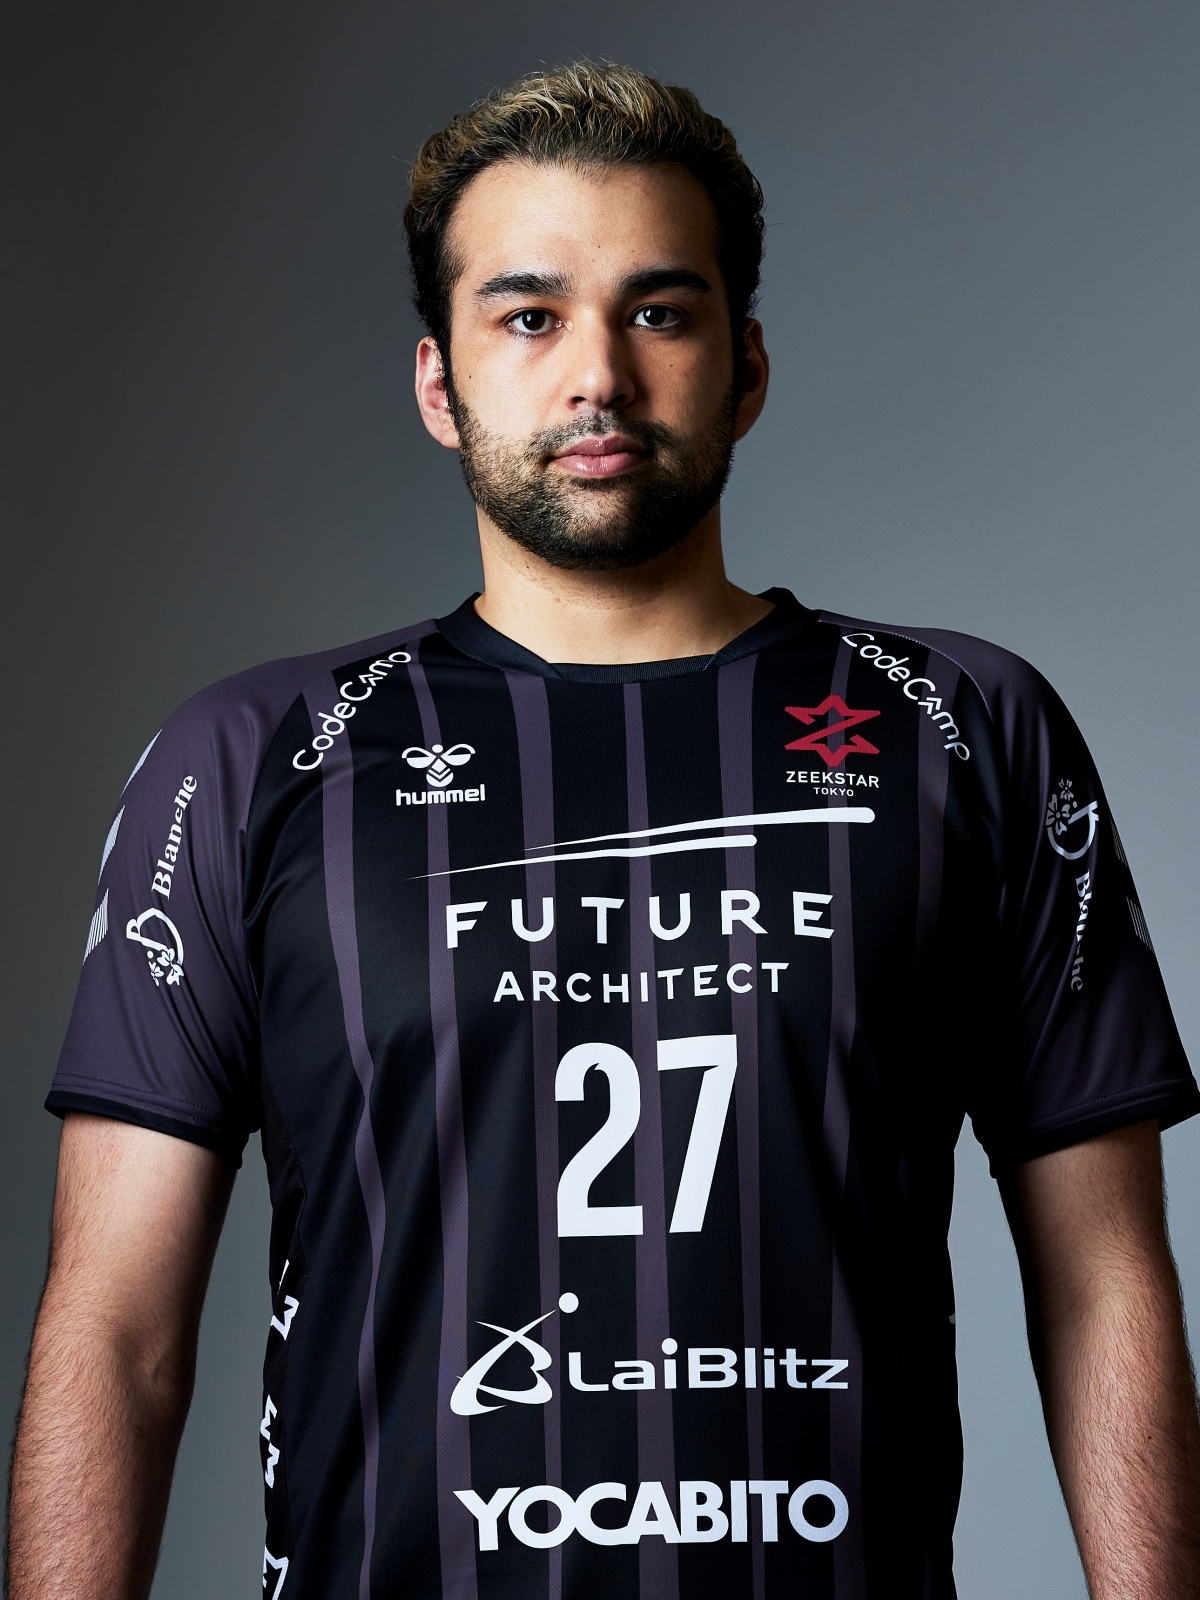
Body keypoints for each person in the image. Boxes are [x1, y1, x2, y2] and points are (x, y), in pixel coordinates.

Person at [7, 60, 1200, 1600]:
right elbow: (116, 1331)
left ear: (745, 365)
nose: (597, 377)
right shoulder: (252, 760)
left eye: (658, 311)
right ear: (438, 382)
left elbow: (1105, 1284)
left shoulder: (965, 728)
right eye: (528, 316)